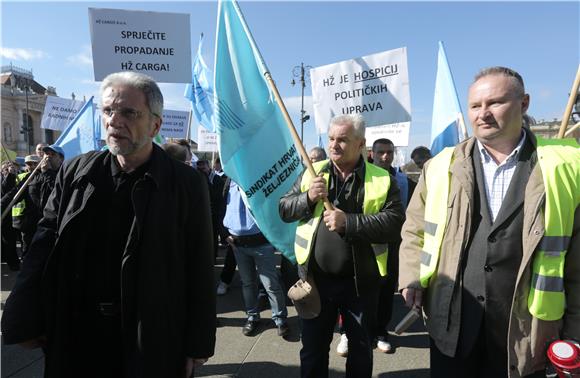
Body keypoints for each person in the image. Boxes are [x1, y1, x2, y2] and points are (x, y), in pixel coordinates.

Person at [1, 71, 216, 378]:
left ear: (155, 124)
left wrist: (198, 345)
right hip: (78, 333)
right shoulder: (77, 171)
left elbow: (199, 265)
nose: (115, 120)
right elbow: (44, 243)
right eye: (108, 111)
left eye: (129, 112)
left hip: (149, 335)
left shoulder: (186, 183)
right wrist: (21, 315)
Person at [399, 66, 580, 378]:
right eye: (475, 105)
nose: (483, 113)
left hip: (527, 332)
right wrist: (411, 276)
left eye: (495, 102)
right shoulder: (441, 166)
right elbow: (414, 229)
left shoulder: (566, 167)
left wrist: (575, 330)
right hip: (451, 323)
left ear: (524, 104)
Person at [280, 114, 404, 377]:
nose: (334, 145)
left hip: (361, 284)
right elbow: (284, 209)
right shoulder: (313, 173)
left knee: (360, 351)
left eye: (343, 140)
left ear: (361, 144)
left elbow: (394, 224)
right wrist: (308, 198)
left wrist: (349, 222)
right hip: (316, 282)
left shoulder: (382, 179)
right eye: (331, 139)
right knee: (312, 350)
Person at [223, 178, 289, 337]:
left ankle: (280, 319)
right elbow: (222, 206)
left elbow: (275, 205)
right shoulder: (228, 180)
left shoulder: (257, 175)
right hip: (238, 245)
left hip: (262, 244)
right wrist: (224, 233)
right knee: (248, 284)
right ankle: (252, 317)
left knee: (271, 284)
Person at [2, 150, 63, 260]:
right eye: (46, 154)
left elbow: (58, 192)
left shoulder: (63, 176)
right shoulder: (31, 177)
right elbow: (14, 193)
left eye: (52, 154)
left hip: (52, 227)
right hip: (30, 226)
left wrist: (48, 172)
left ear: (61, 159)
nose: (48, 157)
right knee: (28, 257)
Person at [1, 160, 20, 270]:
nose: (5, 171)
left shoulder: (14, 177)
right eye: (4, 169)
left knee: (9, 240)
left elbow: (9, 191)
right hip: (4, 211)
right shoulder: (3, 177)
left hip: (10, 213)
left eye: (7, 169)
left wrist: (11, 175)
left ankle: (13, 263)